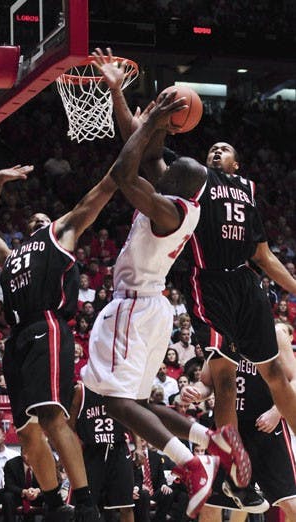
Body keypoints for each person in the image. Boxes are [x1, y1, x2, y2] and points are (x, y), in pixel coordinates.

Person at [95, 47, 296, 440]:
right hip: (211, 282)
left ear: (237, 164)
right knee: (224, 377)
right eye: (212, 148)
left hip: (245, 282)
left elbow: (262, 255)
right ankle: (226, 465)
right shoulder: (194, 177)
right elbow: (145, 155)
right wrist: (135, 109)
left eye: (225, 149)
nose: (216, 150)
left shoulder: (248, 189)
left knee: (273, 372)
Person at [82, 60, 251, 520]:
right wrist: (121, 94)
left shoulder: (168, 210)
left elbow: (123, 171)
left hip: (134, 309)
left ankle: (191, 465)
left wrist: (154, 122)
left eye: (166, 169)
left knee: (114, 401)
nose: (161, 168)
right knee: (140, 404)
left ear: (176, 181)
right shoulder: (175, 198)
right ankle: (208, 439)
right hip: (150, 309)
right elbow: (140, 145)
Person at [0, 161, 117, 522]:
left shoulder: (60, 234)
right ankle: (55, 504)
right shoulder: (10, 257)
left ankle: (85, 503)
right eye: (32, 221)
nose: (37, 222)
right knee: (26, 433)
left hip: (47, 325)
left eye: (43, 218)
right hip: (17, 337)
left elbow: (102, 190)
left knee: (52, 416)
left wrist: (137, 141)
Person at [181, 322, 296, 521]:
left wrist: (277, 411)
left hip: (265, 427)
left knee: (291, 503)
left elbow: (294, 379)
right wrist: (195, 391)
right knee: (210, 506)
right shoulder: (219, 335)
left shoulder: (274, 333)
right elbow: (207, 383)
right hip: (226, 430)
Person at [69, 381, 135, 522]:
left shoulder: (121, 387)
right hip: (91, 451)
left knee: (126, 506)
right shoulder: (81, 390)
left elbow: (134, 419)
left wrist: (140, 448)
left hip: (118, 449)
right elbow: (69, 427)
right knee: (84, 506)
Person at [2, 447, 48, 522]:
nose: (29, 456)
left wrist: (38, 491)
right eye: (26, 453)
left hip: (38, 496)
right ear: (21, 454)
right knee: (7, 496)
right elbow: (9, 485)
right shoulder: (11, 464)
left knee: (50, 496)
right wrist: (24, 492)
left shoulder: (44, 463)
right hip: (19, 495)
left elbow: (51, 484)